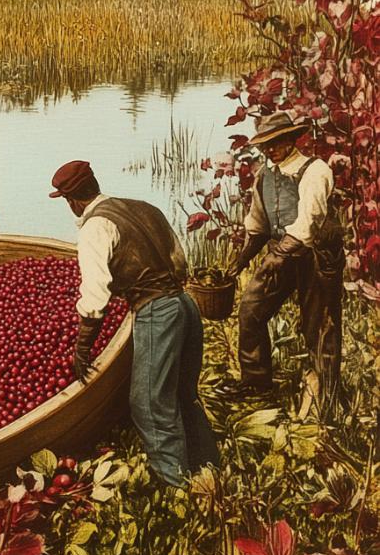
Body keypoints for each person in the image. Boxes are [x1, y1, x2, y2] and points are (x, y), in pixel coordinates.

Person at [50, 159, 219, 487]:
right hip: (185, 304)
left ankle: (177, 485)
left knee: (149, 403)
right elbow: (179, 260)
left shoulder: (94, 229)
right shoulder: (142, 207)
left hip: (156, 312)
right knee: (184, 392)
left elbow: (95, 295)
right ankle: (207, 466)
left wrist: (83, 345)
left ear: (72, 201)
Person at [219, 111, 343, 401]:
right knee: (251, 308)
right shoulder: (265, 176)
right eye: (265, 145)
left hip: (317, 257)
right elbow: (259, 225)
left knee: (319, 325)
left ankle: (328, 396)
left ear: (290, 139)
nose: (269, 150)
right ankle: (256, 383)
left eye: (275, 143)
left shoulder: (315, 170)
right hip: (282, 254)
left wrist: (276, 256)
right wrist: (240, 262)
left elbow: (308, 224)